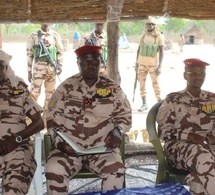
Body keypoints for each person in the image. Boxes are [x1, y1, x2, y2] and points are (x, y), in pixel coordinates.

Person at [45, 45, 132, 194]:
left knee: (116, 169)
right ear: (78, 63)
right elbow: (52, 118)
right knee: (54, 169)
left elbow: (125, 115)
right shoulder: (65, 88)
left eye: (95, 62)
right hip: (69, 149)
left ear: (100, 63)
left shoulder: (112, 88)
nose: (91, 66)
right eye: (85, 62)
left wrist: (118, 130)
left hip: (102, 148)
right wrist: (59, 143)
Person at [157, 58, 215, 195]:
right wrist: (189, 135)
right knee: (204, 157)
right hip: (178, 147)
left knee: (199, 176)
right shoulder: (173, 99)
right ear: (185, 75)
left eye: (201, 73)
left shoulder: (212, 98)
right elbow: (163, 131)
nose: (198, 77)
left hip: (208, 145)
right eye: (193, 73)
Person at [0, 50, 44, 194]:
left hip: (17, 148)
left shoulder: (18, 87)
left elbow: (39, 123)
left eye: (0, 66)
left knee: (14, 188)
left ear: (6, 68)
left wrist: (16, 139)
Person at [26, 23, 64, 126]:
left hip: (51, 71)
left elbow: (60, 51)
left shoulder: (55, 35)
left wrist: (60, 64)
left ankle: (47, 123)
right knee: (33, 96)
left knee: (51, 97)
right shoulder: (34, 35)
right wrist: (29, 71)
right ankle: (30, 122)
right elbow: (29, 54)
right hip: (38, 70)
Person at [136, 16, 164, 112]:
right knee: (142, 85)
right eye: (148, 24)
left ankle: (159, 103)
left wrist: (160, 66)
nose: (150, 26)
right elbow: (138, 50)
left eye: (152, 24)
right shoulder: (142, 37)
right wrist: (136, 65)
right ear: (145, 25)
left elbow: (162, 52)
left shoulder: (159, 37)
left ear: (155, 25)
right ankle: (144, 104)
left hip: (153, 65)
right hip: (142, 64)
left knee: (156, 84)